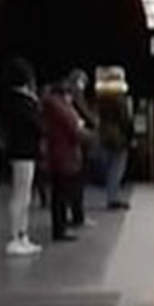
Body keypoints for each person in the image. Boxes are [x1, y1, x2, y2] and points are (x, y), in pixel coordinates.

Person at [0, 58, 43, 256]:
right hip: (23, 152)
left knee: (24, 195)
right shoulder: (21, 101)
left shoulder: (14, 99)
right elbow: (36, 124)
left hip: (22, 151)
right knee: (21, 196)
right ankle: (17, 236)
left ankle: (22, 235)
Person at [41, 79, 88, 243]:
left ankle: (60, 227)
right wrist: (89, 135)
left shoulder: (51, 107)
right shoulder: (61, 109)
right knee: (62, 195)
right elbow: (74, 130)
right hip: (64, 156)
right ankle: (60, 229)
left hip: (58, 155)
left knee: (59, 194)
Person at [96, 69, 134, 210]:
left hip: (104, 135)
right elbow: (125, 119)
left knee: (109, 167)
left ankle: (111, 196)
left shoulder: (101, 98)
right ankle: (113, 198)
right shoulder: (119, 98)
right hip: (118, 137)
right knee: (117, 168)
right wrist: (130, 136)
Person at [64, 70, 95, 229]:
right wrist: (94, 123)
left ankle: (77, 214)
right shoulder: (76, 96)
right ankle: (78, 216)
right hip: (78, 143)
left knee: (75, 182)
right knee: (77, 181)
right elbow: (85, 114)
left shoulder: (69, 96)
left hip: (74, 143)